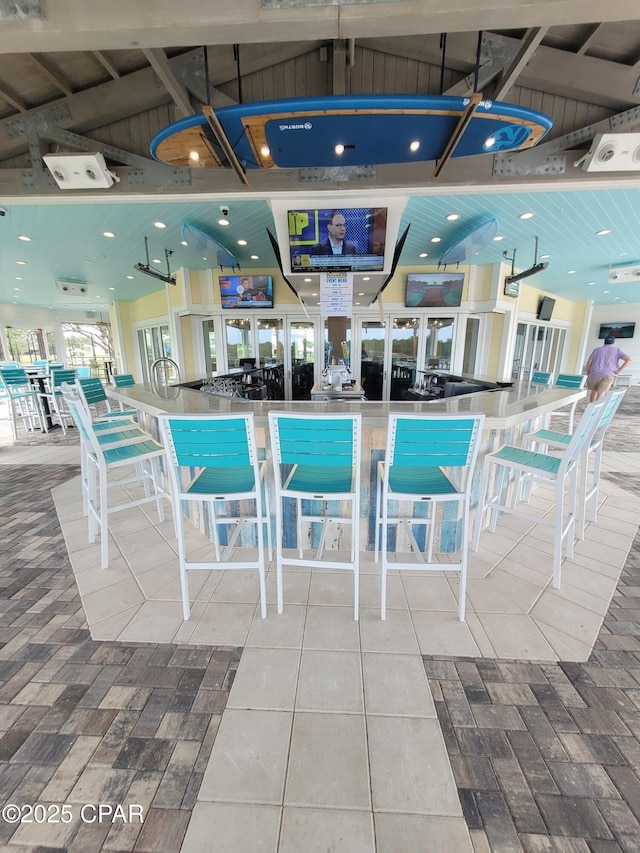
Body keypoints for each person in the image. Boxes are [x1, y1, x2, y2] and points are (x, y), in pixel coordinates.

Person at [584, 335, 631, 401]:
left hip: (594, 374)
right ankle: (598, 408)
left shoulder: (597, 350)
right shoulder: (617, 350)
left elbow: (589, 362)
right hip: (608, 374)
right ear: (613, 342)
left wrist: (588, 371)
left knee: (594, 391)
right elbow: (628, 359)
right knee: (602, 392)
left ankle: (591, 407)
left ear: (604, 342)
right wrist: (619, 370)